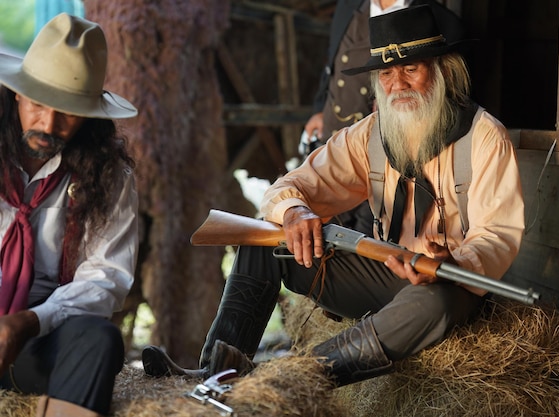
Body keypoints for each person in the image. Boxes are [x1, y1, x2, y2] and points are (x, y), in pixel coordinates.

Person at [142, 5, 524, 389]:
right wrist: (294, 212)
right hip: (384, 273)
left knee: (434, 304)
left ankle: (294, 379)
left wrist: (451, 260)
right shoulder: (368, 134)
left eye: (411, 69)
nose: (398, 84)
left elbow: (498, 234)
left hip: (449, 286)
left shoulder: (485, 137)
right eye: (387, 73)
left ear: (442, 70)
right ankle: (215, 374)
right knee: (263, 242)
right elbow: (289, 187)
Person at [0, 13, 139, 417]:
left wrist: (27, 322)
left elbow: (105, 279)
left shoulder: (108, 176)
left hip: (37, 338)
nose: (49, 124)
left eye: (68, 112)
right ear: (16, 96)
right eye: (38, 105)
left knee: (98, 340)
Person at [302, 0, 466, 236]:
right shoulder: (349, 6)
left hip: (387, 151)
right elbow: (333, 61)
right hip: (336, 133)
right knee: (326, 230)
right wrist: (320, 107)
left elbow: (445, 92)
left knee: (366, 237)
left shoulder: (438, 19)